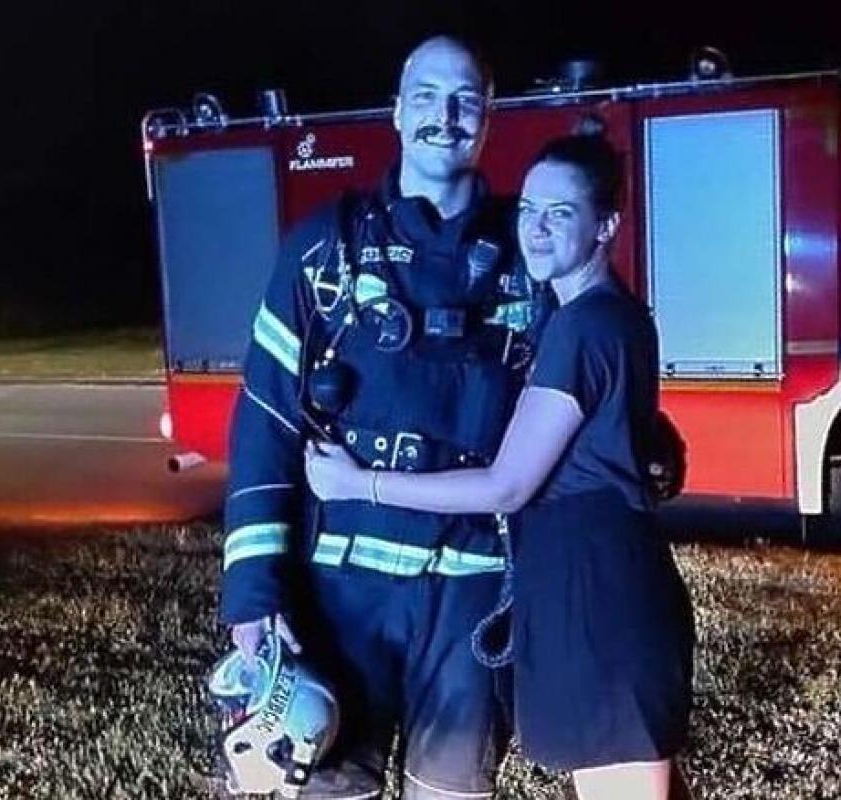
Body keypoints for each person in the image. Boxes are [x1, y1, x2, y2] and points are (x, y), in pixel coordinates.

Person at [305, 134, 695, 800]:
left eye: (560, 213)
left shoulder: (582, 327)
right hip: (604, 581)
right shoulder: (615, 314)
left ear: (606, 226)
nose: (535, 229)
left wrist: (357, 483)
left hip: (595, 598)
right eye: (529, 210)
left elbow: (506, 485)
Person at [220, 36, 543, 800]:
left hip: (471, 597)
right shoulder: (321, 254)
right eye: (426, 97)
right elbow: (264, 423)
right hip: (339, 599)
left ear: (489, 115)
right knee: (332, 788)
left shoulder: (532, 259)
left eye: (464, 100)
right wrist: (253, 593)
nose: (445, 116)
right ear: (396, 112)